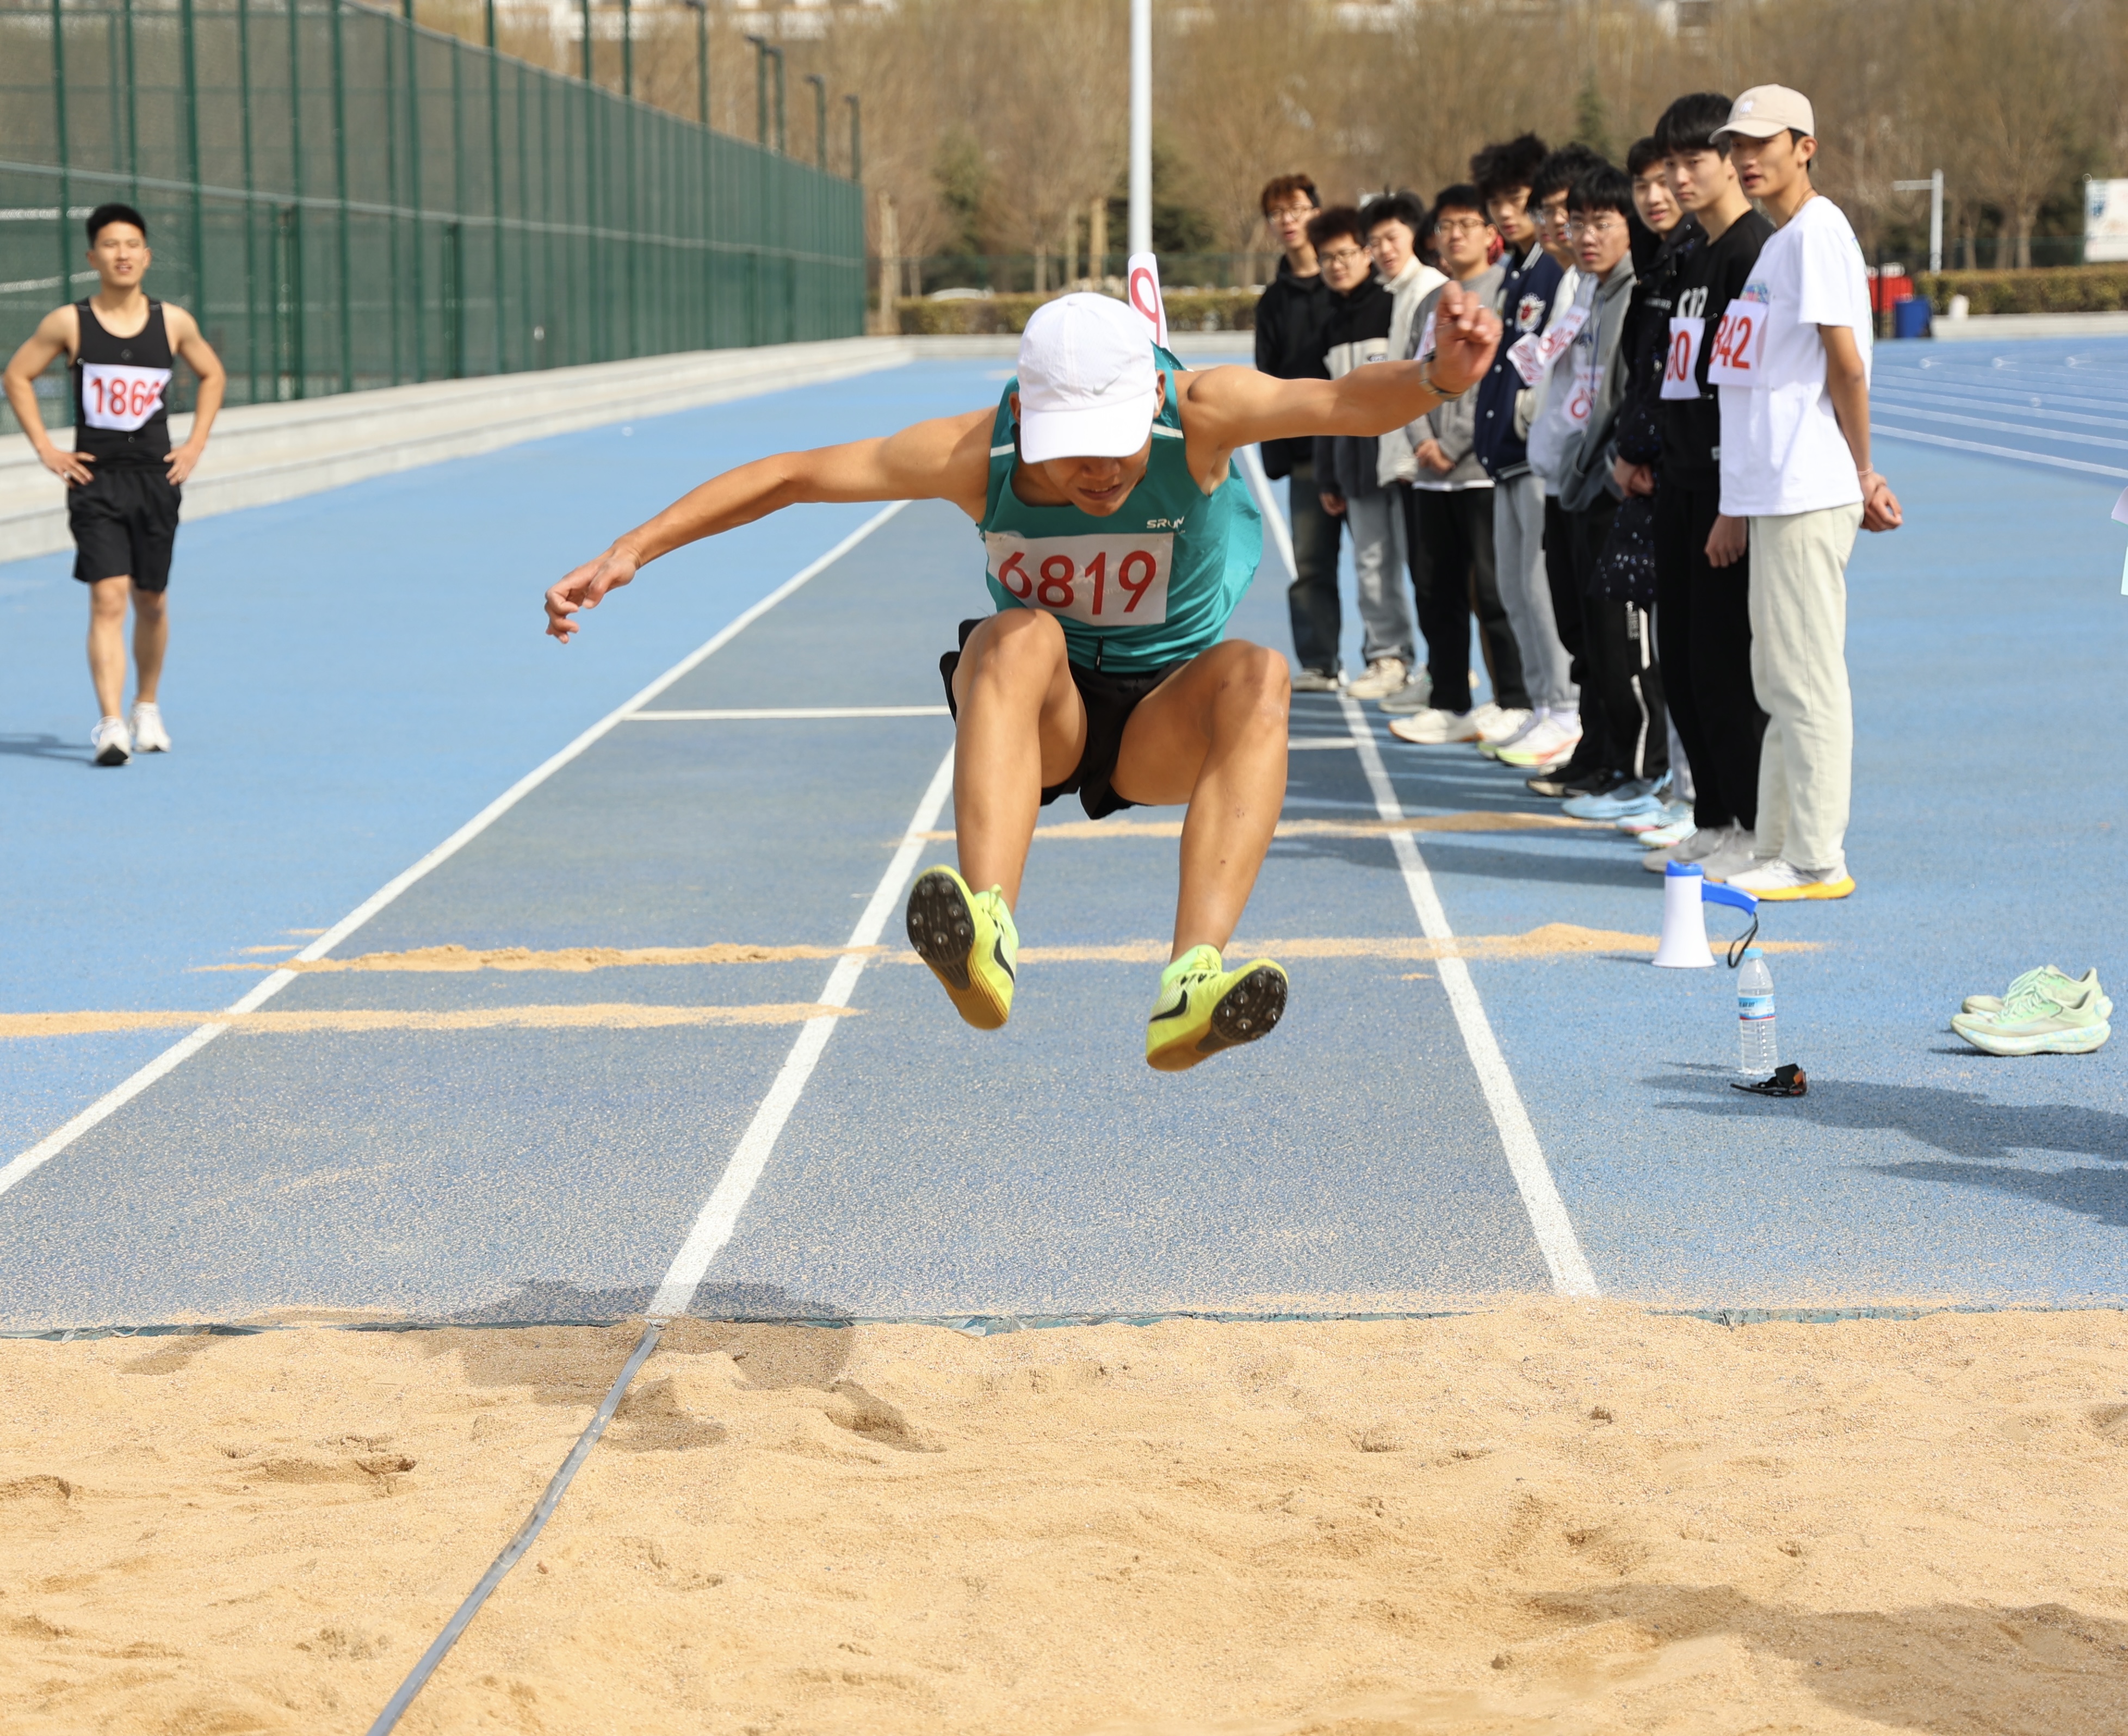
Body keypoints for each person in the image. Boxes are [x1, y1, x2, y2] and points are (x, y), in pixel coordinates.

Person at [542, 288, 1502, 1070]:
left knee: (1257, 672)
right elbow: (796, 475)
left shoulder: (1201, 415)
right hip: (1050, 717)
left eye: (1114, 442)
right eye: (1069, 446)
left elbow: (1340, 403)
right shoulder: (979, 456)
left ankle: (1190, 983)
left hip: (1165, 715)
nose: (1096, 471)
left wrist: (1432, 376)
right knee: (1015, 635)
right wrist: (634, 549)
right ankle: (985, 930)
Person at [1710, 86, 1901, 900]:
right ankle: (1781, 840)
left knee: (1808, 677)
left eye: (1764, 142)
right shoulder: (1780, 243)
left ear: (1805, 146)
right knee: (1778, 677)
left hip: (1808, 482)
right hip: (1774, 488)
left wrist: (1863, 470)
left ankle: (1819, 856)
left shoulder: (1819, 232)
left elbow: (1846, 363)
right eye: (1738, 144)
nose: (1747, 157)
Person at [2, 202, 225, 766]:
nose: (121, 254)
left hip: (156, 478)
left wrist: (196, 443)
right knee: (107, 597)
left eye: (132, 245)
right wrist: (46, 449)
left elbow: (212, 373)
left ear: (146, 256)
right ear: (92, 256)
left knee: (151, 600)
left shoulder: (172, 322)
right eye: (110, 245)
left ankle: (146, 706)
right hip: (95, 480)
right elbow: (17, 375)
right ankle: (110, 723)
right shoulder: (68, 323)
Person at [1642, 91, 1778, 875]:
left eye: (1694, 162)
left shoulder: (1750, 253)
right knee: (1684, 665)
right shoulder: (1691, 252)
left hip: (1726, 490)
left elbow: (1746, 387)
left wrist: (1732, 504)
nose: (1680, 179)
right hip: (1678, 479)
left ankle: (1755, 826)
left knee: (1726, 666)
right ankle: (1714, 816)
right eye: (1671, 166)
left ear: (1731, 161)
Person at [1388, 186, 1529, 746]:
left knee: (1494, 590)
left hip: (1479, 471)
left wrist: (1459, 446)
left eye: (1468, 223)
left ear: (1491, 231)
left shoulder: (1507, 291)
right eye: (1447, 225)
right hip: (1430, 473)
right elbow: (1412, 371)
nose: (1456, 234)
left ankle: (1514, 698)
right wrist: (1423, 440)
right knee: (1435, 588)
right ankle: (1447, 698)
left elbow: (1498, 380)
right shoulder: (1433, 299)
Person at [1548, 163, 1668, 804]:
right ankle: (1598, 751)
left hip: (1613, 485)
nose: (1586, 235)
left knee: (1625, 645)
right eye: (1578, 222)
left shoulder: (1634, 291)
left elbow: (1622, 399)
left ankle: (1639, 767)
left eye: (1602, 221)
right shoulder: (1589, 292)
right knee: (1588, 637)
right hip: (1579, 481)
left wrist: (1610, 462)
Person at [1495, 142, 1606, 778]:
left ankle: (1567, 712)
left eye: (1573, 213)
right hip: (1542, 461)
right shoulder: (1561, 281)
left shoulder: (1588, 284)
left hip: (1580, 470)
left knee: (1555, 599)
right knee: (1531, 593)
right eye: (1553, 213)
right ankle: (1553, 706)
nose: (1559, 226)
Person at [1470, 133, 1569, 754]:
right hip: (1505, 454)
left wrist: (1528, 420)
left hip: (1533, 452)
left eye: (1518, 199)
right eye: (1497, 203)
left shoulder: (1557, 268)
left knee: (1539, 588)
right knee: (1512, 589)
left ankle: (1565, 704)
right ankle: (1539, 702)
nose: (1507, 213)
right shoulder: (1518, 271)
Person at [1309, 205, 1425, 703]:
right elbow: (1324, 405)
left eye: (1348, 253)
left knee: (1427, 564)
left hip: (1406, 462)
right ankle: (1388, 656)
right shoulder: (1328, 322)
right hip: (1356, 469)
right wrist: (1328, 476)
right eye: (1327, 257)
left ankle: (1446, 662)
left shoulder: (1394, 304)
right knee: (1372, 564)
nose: (1338, 265)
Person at [1252, 173, 1344, 692]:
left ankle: (1397, 661)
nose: (1288, 221)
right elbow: (1268, 379)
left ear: (1317, 211)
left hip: (1368, 445)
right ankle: (1319, 661)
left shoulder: (1352, 283)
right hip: (1310, 451)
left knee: (1393, 559)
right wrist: (1279, 453)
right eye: (1277, 213)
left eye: (1297, 209)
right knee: (1311, 561)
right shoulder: (1274, 302)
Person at [1362, 190, 1449, 714]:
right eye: (1374, 242)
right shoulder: (1398, 293)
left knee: (1437, 576)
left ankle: (1447, 676)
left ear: (1414, 236)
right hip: (1407, 455)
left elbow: (1433, 377)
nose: (1383, 250)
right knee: (1425, 574)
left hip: (1432, 458)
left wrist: (1427, 444)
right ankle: (1439, 673)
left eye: (1391, 238)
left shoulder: (1430, 291)